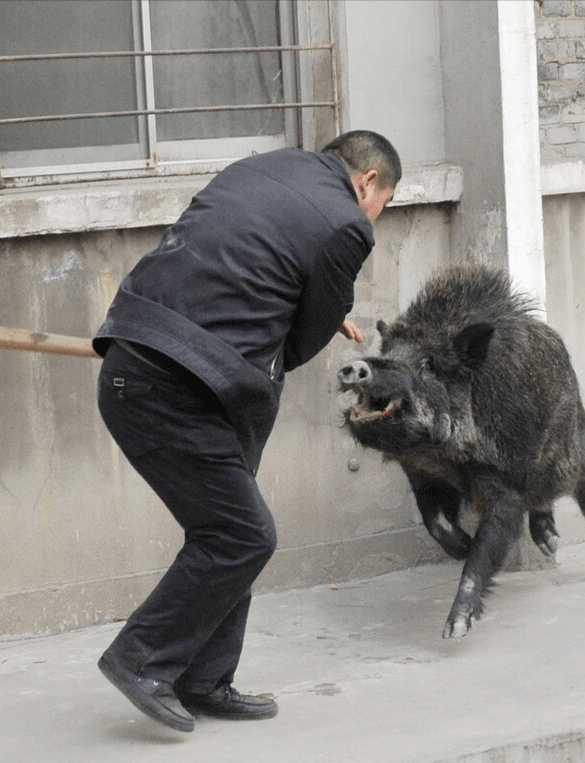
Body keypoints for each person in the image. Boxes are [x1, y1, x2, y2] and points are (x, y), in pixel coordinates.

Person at [91, 130, 401, 733]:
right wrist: (308, 317)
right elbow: (303, 339)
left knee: (228, 530)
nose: (373, 216)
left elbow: (237, 256)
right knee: (243, 536)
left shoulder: (262, 169)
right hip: (175, 389)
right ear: (369, 182)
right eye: (382, 204)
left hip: (142, 358)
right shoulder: (347, 224)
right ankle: (140, 658)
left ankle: (205, 680)